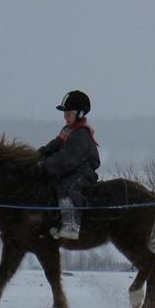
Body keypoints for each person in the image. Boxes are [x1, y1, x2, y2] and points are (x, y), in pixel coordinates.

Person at [38, 90, 100, 240]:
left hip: (84, 171)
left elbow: (66, 159)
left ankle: (71, 224)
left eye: (69, 113)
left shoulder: (81, 135)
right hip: (72, 169)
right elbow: (53, 146)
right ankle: (57, 221)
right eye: (64, 114)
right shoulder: (67, 131)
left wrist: (45, 165)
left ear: (79, 113)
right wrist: (37, 156)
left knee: (66, 187)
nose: (65, 117)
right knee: (50, 185)